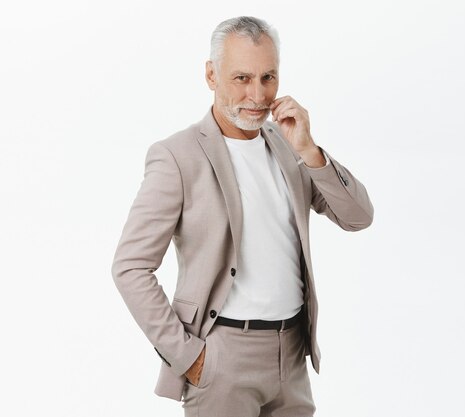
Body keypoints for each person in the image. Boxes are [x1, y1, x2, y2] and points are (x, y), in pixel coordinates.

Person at [111, 16, 373, 417]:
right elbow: (130, 266)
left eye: (268, 77)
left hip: (293, 355)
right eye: (242, 78)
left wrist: (309, 150)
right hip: (222, 360)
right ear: (211, 75)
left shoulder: (289, 146)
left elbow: (358, 217)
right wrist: (189, 356)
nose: (257, 94)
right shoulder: (177, 156)